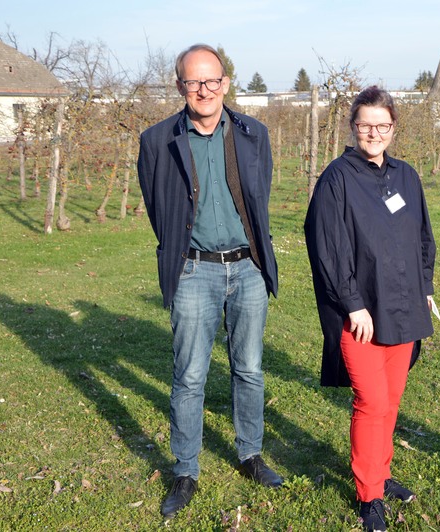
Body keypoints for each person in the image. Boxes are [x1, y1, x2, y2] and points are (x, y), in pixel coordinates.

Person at [137, 43, 283, 519]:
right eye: (194, 82)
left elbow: (259, 197)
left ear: (226, 82)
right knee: (189, 375)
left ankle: (250, 453)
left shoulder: (254, 133)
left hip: (247, 268)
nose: (204, 90)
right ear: (180, 86)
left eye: (212, 80)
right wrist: (182, 250)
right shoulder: (157, 141)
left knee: (250, 368)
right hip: (194, 269)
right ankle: (185, 470)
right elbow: (159, 206)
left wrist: (254, 258)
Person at [304, 86, 436, 531]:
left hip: (403, 307)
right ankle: (368, 496)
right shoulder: (337, 179)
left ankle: (380, 473)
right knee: (372, 401)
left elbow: (423, 237)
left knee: (392, 401)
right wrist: (353, 304)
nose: (374, 133)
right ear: (353, 127)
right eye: (365, 125)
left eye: (383, 125)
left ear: (394, 127)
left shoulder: (406, 176)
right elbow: (327, 249)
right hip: (360, 315)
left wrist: (425, 285)